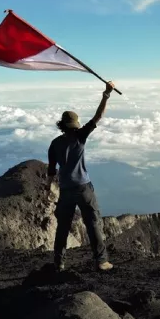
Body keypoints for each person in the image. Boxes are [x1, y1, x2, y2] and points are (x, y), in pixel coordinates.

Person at [46, 81, 116, 272]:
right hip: (84, 187)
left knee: (63, 227)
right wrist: (106, 94)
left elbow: (51, 172)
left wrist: (48, 193)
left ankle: (59, 263)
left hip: (66, 189)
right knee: (93, 223)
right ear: (75, 125)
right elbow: (98, 116)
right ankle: (101, 261)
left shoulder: (54, 144)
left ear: (62, 125)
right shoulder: (80, 136)